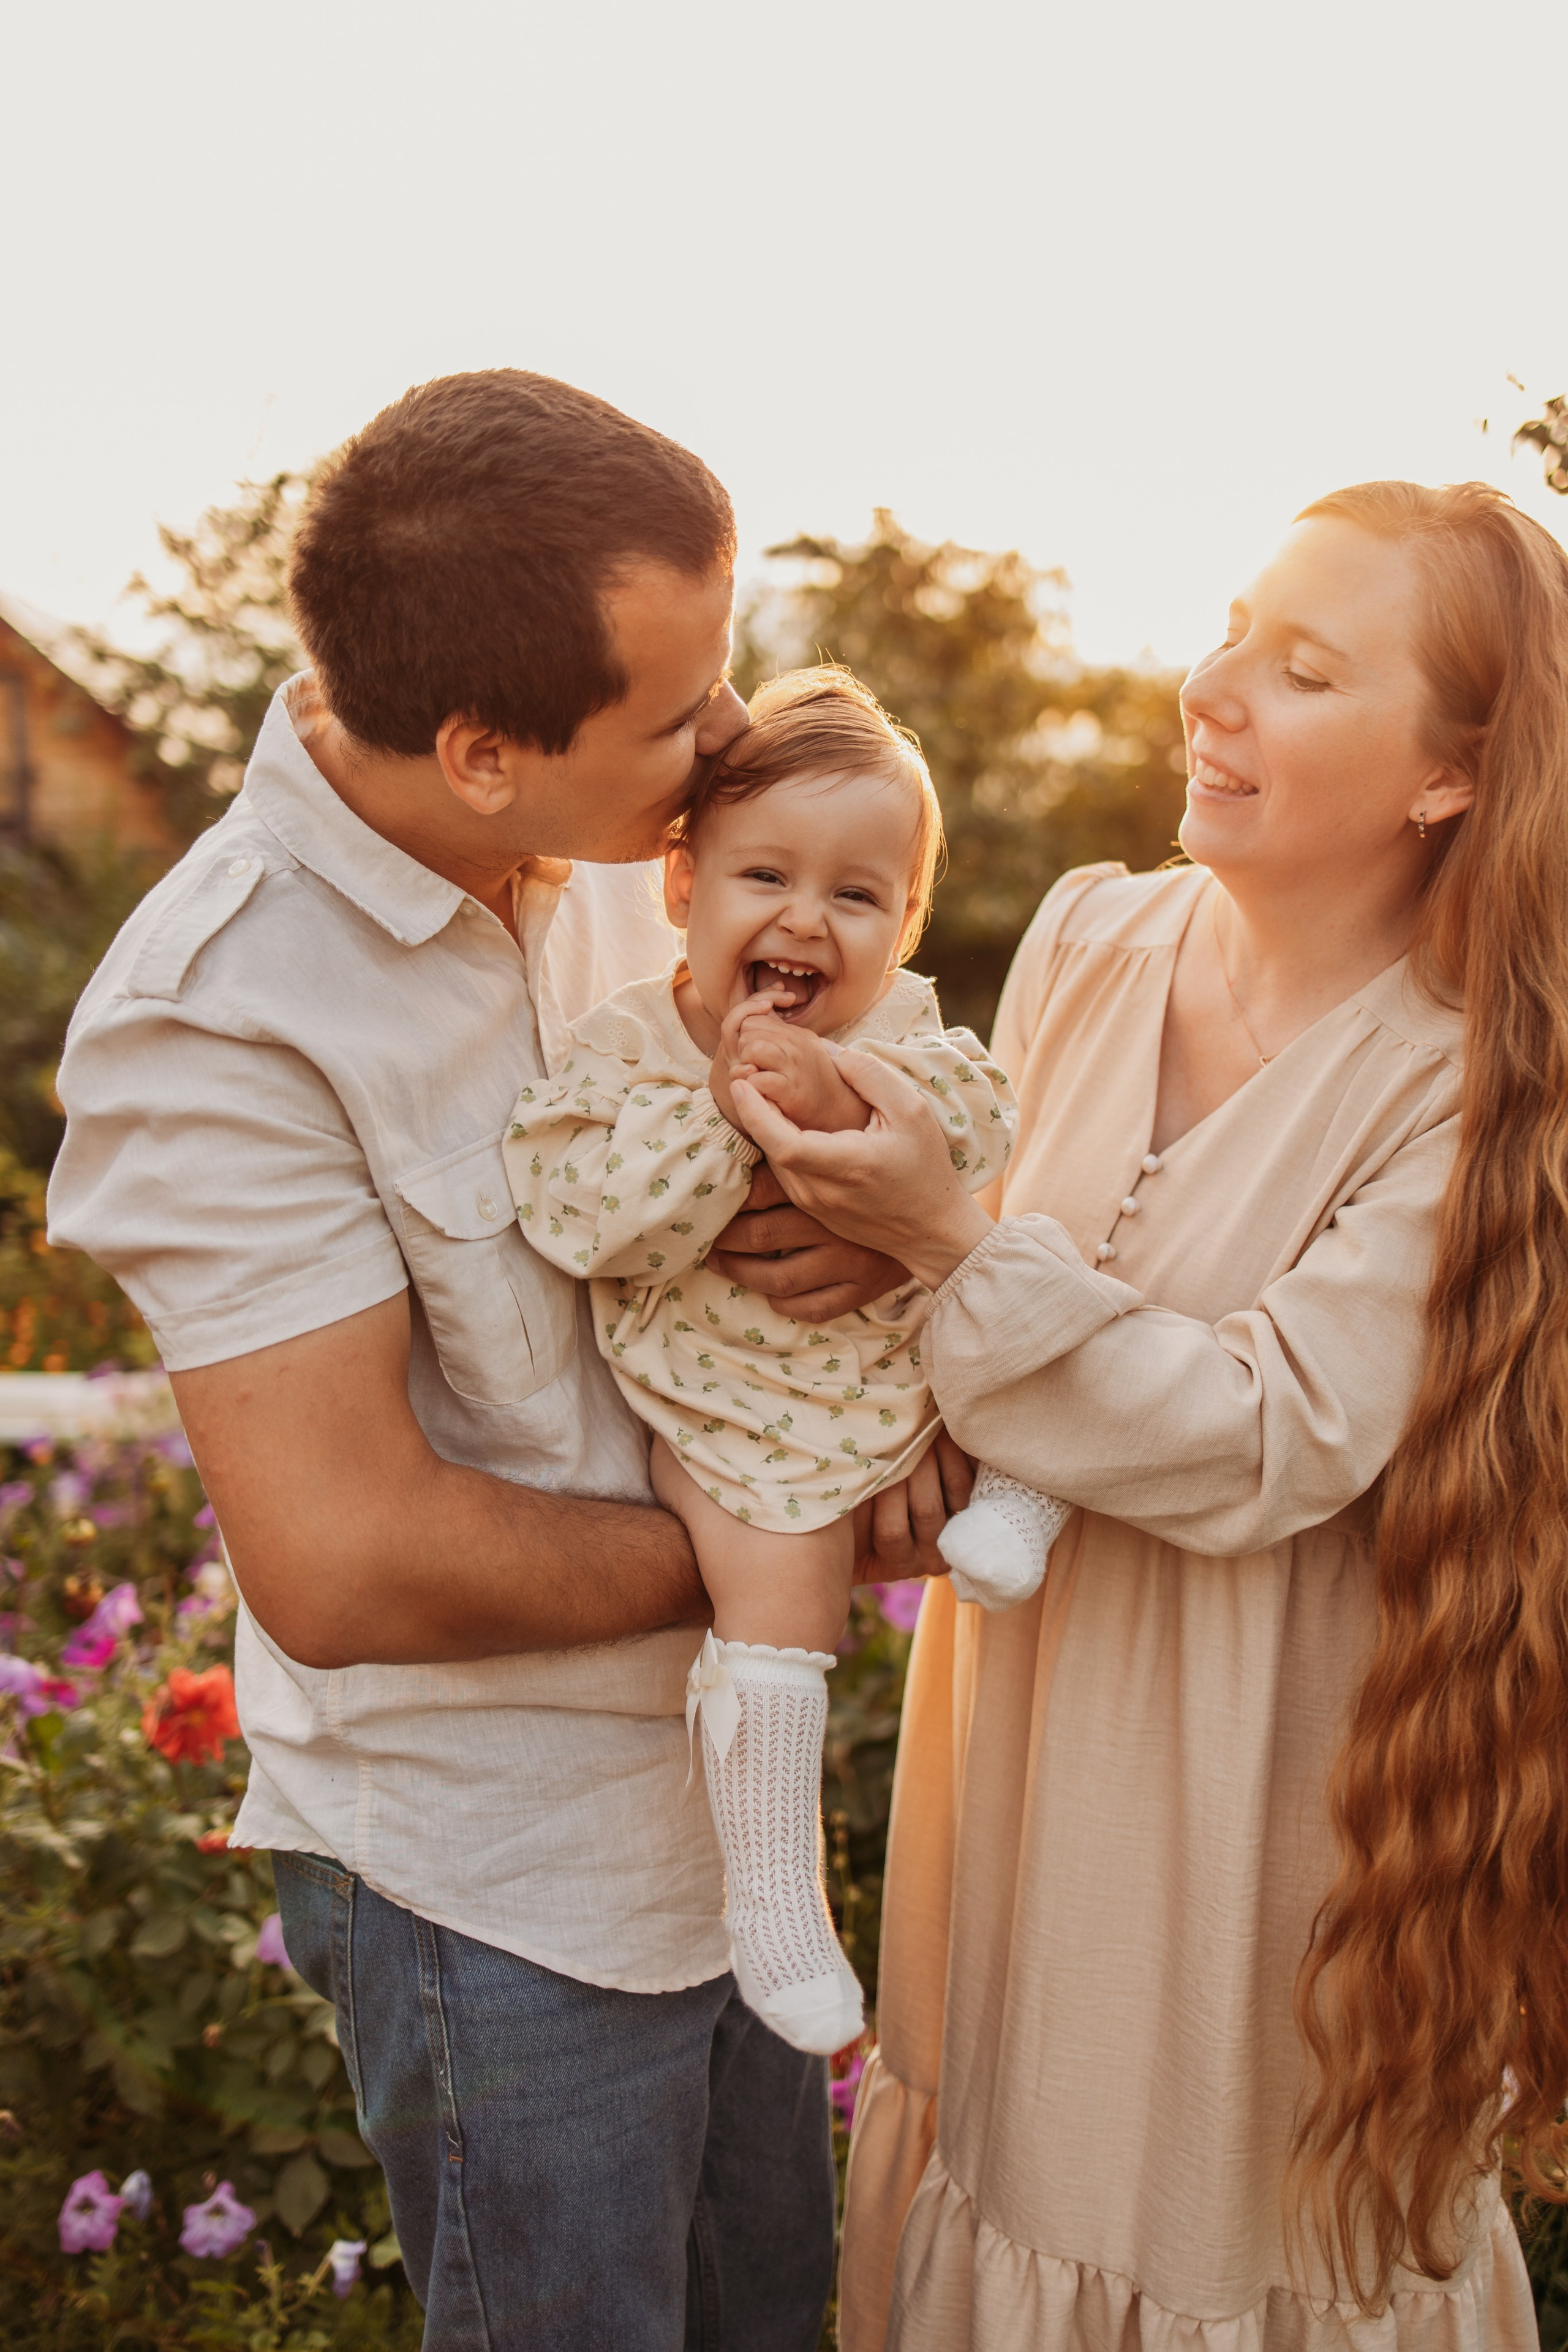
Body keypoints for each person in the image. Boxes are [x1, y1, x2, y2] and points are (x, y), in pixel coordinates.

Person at [46, 369, 968, 2352]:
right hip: (505, 1892)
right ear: (481, 751)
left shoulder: (635, 839)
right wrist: (806, 1539)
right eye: (680, 712)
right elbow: (350, 1560)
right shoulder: (219, 1027)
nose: (729, 738)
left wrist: (890, 1253)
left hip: (730, 1834)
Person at [731, 481, 1568, 2347]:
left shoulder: (1468, 1086)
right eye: (1235, 629)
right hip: (1017, 1758)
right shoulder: (1089, 944)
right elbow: (972, 1327)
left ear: (1453, 771)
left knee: (1186, 2220)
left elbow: (1266, 1435)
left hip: (1266, 1803)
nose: (1217, 688)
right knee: (997, 2165)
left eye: (1307, 668)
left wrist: (944, 1247)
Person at [505, 666, 1024, 2059]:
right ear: (684, 887)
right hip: (733, 1403)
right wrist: (736, 1119)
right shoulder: (628, 1042)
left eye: (857, 897)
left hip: (900, 1357)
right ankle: (778, 1897)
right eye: (766, 878)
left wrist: (878, 1145)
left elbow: (978, 1139)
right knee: (778, 1576)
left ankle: (1030, 1487)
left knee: (1032, 1290)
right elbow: (586, 1224)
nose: (806, 919)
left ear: (903, 923)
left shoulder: (897, 1030)